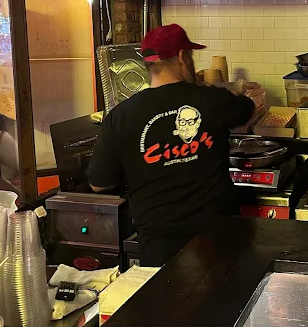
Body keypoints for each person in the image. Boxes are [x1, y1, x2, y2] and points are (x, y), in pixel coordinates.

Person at [87, 24, 255, 266]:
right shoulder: (211, 100)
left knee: (166, 292)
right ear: (182, 57)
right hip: (219, 242)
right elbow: (246, 110)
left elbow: (99, 183)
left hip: (160, 248)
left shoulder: (121, 116)